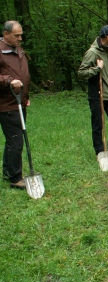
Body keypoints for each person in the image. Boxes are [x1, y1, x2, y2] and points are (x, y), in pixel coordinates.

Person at [78, 25, 108, 161]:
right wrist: (97, 69)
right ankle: (99, 152)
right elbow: (81, 72)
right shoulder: (93, 52)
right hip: (97, 95)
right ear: (107, 37)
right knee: (98, 125)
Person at [0, 21, 31, 190]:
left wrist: (26, 96)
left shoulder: (18, 49)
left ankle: (7, 170)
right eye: (16, 35)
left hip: (19, 101)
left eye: (21, 35)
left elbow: (24, 75)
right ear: (6, 34)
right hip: (6, 104)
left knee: (13, 140)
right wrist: (9, 81)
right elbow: (10, 77)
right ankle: (15, 178)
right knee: (16, 141)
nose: (20, 38)